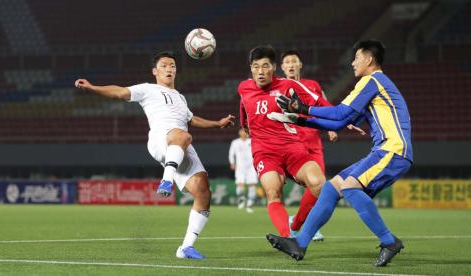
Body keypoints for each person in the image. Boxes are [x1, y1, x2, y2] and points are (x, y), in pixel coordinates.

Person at [266, 40, 413, 267]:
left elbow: (339, 112)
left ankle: (389, 240)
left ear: (369, 59)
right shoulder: (373, 84)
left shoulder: (372, 81)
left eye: (356, 58)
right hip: (382, 150)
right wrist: (298, 119)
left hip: (392, 149)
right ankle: (300, 242)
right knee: (331, 187)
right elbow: (339, 123)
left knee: (349, 187)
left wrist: (302, 109)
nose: (352, 63)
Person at [75, 51, 234, 260]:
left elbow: (191, 119)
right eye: (165, 65)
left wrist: (217, 123)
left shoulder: (180, 97)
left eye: (173, 66)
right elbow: (120, 92)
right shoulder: (147, 89)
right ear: (155, 71)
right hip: (161, 139)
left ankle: (186, 248)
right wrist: (92, 87)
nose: (170, 69)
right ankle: (166, 180)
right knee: (183, 135)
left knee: (203, 192)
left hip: (180, 143)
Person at [237, 45, 329, 239]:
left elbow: (320, 102)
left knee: (319, 184)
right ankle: (288, 238)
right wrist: (244, 125)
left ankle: (295, 226)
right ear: (250, 68)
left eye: (265, 66)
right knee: (273, 192)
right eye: (255, 67)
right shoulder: (243, 88)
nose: (260, 72)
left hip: (292, 147)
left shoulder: (288, 85)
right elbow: (244, 114)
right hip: (265, 152)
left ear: (274, 67)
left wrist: (343, 119)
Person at [281, 50, 342, 241]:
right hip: (291, 143)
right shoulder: (278, 87)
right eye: (287, 62)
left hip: (313, 142)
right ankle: (303, 225)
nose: (290, 65)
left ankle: (299, 224)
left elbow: (323, 106)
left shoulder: (313, 85)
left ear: (300, 65)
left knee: (318, 186)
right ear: (282, 68)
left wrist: (332, 127)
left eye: (294, 61)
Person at [228, 128, 258, 213]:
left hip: (251, 167)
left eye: (245, 132)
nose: (244, 133)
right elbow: (231, 153)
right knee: (240, 185)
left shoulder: (252, 141)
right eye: (242, 131)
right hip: (240, 167)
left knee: (252, 185)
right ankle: (241, 199)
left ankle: (250, 205)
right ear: (239, 133)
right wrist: (232, 162)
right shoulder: (235, 142)